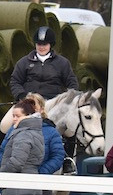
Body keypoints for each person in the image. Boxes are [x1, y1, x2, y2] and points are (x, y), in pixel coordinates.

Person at [8, 26, 79, 173]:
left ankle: (67, 160)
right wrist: (22, 96)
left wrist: (65, 100)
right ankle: (2, 155)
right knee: (4, 124)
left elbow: (73, 84)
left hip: (53, 104)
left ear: (50, 45)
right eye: (39, 44)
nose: (41, 47)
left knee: (70, 130)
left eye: (45, 44)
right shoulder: (24, 62)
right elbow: (15, 81)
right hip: (28, 103)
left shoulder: (62, 63)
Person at [0, 92, 64, 195]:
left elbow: (58, 157)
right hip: (13, 182)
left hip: (40, 184)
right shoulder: (13, 128)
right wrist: (3, 169)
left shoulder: (51, 131)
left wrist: (39, 173)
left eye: (33, 104)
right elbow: (3, 150)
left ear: (42, 109)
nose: (29, 107)